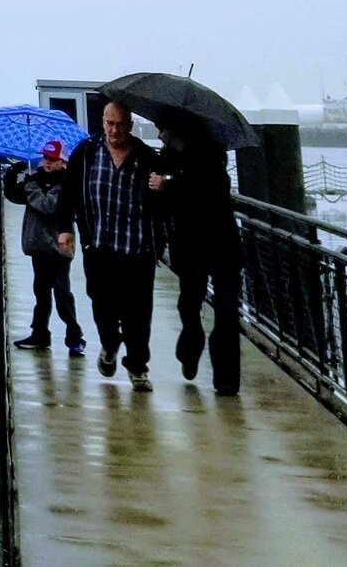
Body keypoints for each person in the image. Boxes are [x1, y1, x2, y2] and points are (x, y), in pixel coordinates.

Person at [69, 100, 164, 389]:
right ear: (102, 122)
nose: (115, 130)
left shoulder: (147, 157)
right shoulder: (85, 153)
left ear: (130, 126)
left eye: (121, 124)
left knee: (138, 313)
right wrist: (65, 230)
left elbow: (167, 201)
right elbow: (69, 193)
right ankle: (109, 345)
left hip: (137, 248)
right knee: (103, 306)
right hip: (99, 246)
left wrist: (164, 185)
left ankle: (138, 367)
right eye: (110, 123)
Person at [151, 119, 243, 395]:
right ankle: (191, 345)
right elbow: (161, 202)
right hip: (189, 246)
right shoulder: (167, 159)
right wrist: (159, 187)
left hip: (222, 244)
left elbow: (209, 190)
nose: (161, 135)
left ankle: (226, 379)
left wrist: (169, 184)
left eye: (164, 130)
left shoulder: (212, 157)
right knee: (189, 304)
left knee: (227, 312)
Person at [4, 139, 85, 353]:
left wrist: (31, 186)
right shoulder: (36, 178)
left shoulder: (67, 183)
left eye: (53, 159)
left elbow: (49, 205)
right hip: (38, 246)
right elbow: (13, 195)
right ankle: (40, 334)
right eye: (45, 157)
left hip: (59, 247)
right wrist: (12, 173)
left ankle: (74, 336)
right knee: (41, 293)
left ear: (63, 161)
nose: (47, 162)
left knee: (62, 293)